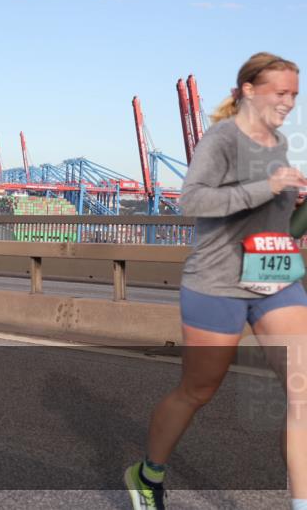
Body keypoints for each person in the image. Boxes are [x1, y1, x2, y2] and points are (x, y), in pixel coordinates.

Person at [125, 53, 307, 510]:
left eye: (294, 95)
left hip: (273, 273)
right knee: (198, 390)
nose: (288, 102)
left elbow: (271, 221)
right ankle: (148, 474)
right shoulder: (221, 140)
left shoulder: (277, 143)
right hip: (219, 280)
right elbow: (193, 200)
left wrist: (293, 201)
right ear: (248, 89)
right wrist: (266, 189)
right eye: (280, 92)